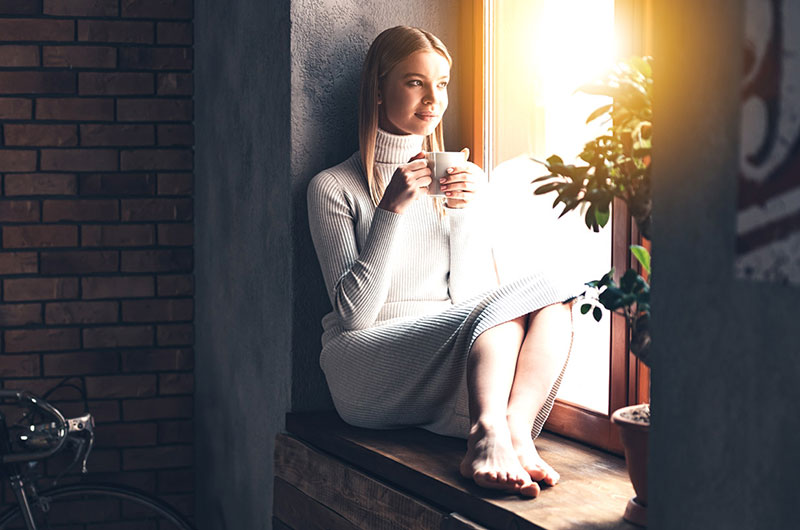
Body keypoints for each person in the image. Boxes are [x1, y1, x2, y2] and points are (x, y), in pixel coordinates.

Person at [307, 25, 576, 498]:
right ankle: (488, 430)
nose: (433, 99)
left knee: (555, 292)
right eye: (415, 82)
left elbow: (477, 300)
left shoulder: (462, 182)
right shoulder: (333, 187)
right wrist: (390, 211)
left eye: (443, 83)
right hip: (365, 365)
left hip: (452, 357)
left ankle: (509, 427)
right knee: (513, 304)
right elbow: (355, 317)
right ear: (377, 91)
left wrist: (472, 210)